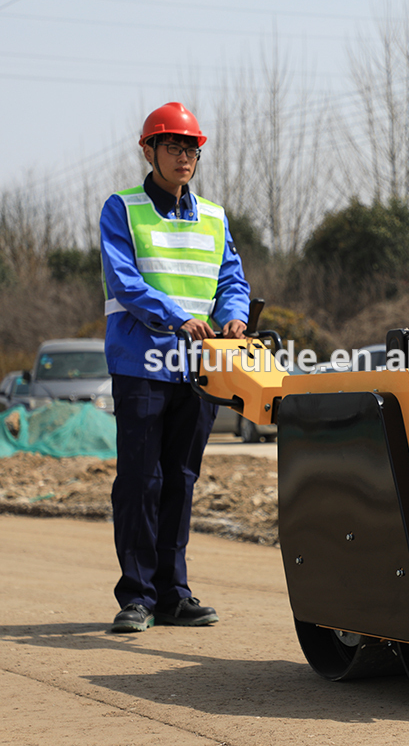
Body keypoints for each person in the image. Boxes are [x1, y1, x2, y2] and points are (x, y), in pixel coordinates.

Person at [100, 102, 250, 633]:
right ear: (149, 150)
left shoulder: (214, 216)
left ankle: (173, 593)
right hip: (142, 364)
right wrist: (178, 317)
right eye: (173, 146)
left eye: (191, 148)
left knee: (180, 482)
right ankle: (137, 596)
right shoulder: (122, 208)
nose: (184, 156)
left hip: (198, 370)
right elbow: (125, 283)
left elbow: (233, 279)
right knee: (142, 480)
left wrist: (232, 318)